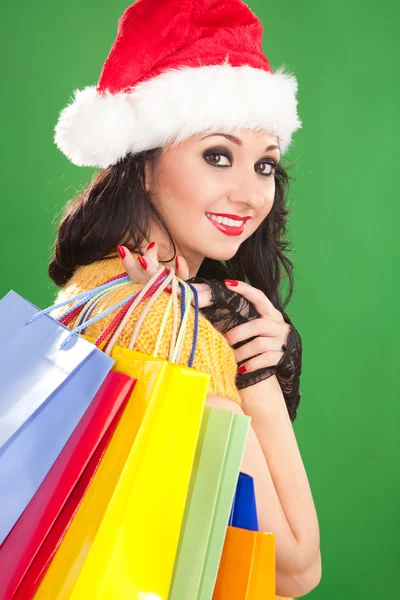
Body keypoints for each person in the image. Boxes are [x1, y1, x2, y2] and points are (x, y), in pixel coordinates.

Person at [49, 0, 321, 597]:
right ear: (143, 165)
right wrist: (256, 373)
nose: (249, 194)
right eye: (217, 155)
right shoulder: (172, 328)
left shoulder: (91, 290)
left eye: (266, 165)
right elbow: (294, 566)